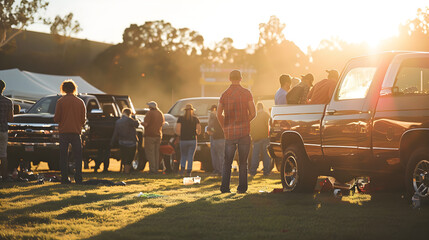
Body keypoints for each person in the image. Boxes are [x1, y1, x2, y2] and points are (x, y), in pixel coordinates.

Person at [218, 70, 256, 194]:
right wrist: (245, 121)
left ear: (229, 78)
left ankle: (225, 188)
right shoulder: (246, 93)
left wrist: (224, 127)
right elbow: (253, 113)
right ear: (240, 79)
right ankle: (242, 188)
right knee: (243, 163)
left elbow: (219, 113)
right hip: (244, 133)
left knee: (227, 162)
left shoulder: (224, 94)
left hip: (229, 133)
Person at [54, 79, 86, 184]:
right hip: (76, 132)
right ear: (74, 89)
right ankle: (78, 178)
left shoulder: (60, 101)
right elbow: (83, 120)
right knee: (78, 156)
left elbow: (56, 119)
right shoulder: (80, 102)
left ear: (63, 89)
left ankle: (64, 178)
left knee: (63, 156)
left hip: (64, 132)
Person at [175, 104, 201, 177]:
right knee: (190, 156)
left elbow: (177, 130)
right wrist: (196, 133)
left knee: (183, 155)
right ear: (192, 110)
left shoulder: (180, 119)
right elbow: (199, 130)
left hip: (183, 140)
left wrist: (180, 135)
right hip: (192, 140)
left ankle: (182, 170)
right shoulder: (195, 119)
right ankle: (189, 171)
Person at [111, 108, 139, 174]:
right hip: (131, 142)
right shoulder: (130, 120)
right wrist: (135, 119)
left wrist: (112, 141)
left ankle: (124, 170)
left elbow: (115, 133)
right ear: (129, 113)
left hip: (122, 142)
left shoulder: (118, 121)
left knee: (124, 156)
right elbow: (137, 124)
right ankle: (127, 171)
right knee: (130, 157)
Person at [142, 101, 165, 174]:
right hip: (158, 135)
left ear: (150, 107)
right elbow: (163, 123)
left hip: (150, 135)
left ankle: (152, 170)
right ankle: (156, 168)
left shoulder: (149, 113)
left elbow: (146, 124)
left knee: (150, 153)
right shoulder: (160, 113)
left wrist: (140, 122)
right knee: (156, 153)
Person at [249, 102, 271, 176]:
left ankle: (253, 171)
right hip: (265, 137)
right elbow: (269, 125)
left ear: (257, 108)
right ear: (262, 107)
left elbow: (250, 127)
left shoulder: (253, 116)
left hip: (256, 138)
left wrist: (252, 136)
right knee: (266, 155)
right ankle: (266, 171)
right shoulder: (266, 115)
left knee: (255, 155)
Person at [0, 80, 13, 181]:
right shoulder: (8, 102)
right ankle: (4, 176)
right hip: (3, 130)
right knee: (3, 154)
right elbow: (10, 119)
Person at [207, 104, 225, 176]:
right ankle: (222, 170)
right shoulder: (223, 117)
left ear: (214, 110)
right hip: (223, 138)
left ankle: (218, 170)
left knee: (215, 155)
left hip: (215, 138)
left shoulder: (213, 118)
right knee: (222, 155)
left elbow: (210, 129)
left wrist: (211, 131)